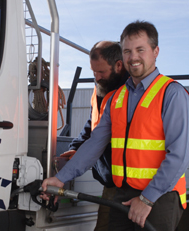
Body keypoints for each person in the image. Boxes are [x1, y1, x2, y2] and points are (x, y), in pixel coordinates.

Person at [42, 20, 189, 231]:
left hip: (160, 196)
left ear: (155, 51)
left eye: (140, 49)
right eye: (127, 51)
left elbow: (179, 156)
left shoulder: (172, 93)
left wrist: (147, 199)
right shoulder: (117, 98)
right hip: (122, 193)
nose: (133, 57)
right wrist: (60, 178)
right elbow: (95, 143)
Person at [60, 40, 128, 231]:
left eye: (101, 72)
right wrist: (76, 148)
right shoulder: (101, 87)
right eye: (94, 72)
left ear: (118, 65)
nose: (97, 77)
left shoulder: (133, 93)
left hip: (132, 185)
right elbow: (93, 126)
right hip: (110, 180)